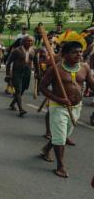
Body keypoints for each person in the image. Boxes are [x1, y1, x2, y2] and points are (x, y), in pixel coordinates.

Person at [39, 32, 94, 178]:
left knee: (62, 135)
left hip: (76, 107)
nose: (79, 55)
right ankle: (60, 166)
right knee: (60, 136)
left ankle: (46, 149)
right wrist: (58, 98)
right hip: (59, 107)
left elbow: (92, 84)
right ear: (66, 54)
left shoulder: (85, 68)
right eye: (75, 52)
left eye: (80, 52)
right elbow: (42, 87)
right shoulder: (56, 69)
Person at [6, 36, 38, 116]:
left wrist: (38, 72)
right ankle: (21, 109)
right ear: (23, 42)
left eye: (31, 41)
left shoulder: (33, 50)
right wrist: (8, 74)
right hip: (17, 72)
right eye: (28, 41)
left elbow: (36, 62)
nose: (30, 43)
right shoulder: (17, 51)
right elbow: (8, 63)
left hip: (27, 72)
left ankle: (12, 104)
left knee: (23, 89)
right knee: (18, 90)